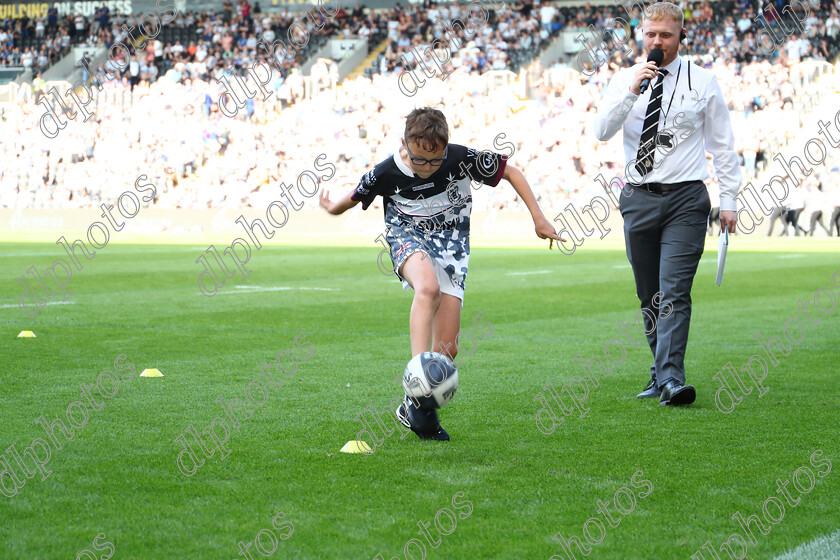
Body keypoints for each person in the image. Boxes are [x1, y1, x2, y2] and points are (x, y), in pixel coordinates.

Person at [319, 107, 560, 439]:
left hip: (452, 246)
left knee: (447, 352)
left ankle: (411, 405)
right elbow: (354, 196)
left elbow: (512, 173)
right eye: (419, 160)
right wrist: (331, 207)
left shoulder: (461, 158)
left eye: (435, 160)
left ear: (445, 147)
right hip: (407, 237)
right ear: (405, 145)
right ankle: (419, 396)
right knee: (427, 289)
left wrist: (539, 218)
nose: (428, 168)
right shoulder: (387, 171)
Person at [593, 2, 740, 406]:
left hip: (686, 199)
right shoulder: (624, 79)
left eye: (666, 35)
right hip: (637, 198)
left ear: (681, 37)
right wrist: (630, 92)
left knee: (674, 292)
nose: (657, 42)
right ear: (642, 35)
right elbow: (601, 131)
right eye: (651, 35)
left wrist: (729, 200)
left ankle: (672, 379)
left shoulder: (703, 81)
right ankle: (660, 372)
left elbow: (723, 146)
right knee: (650, 296)